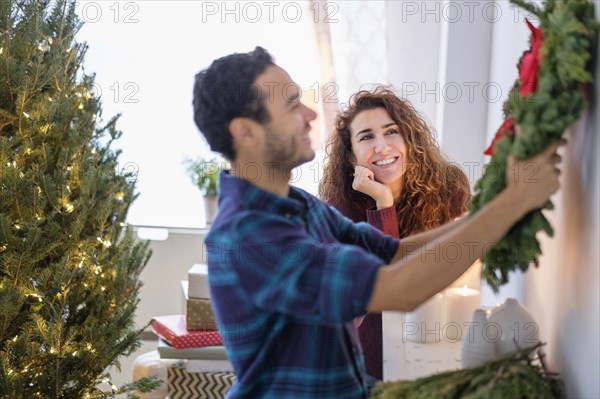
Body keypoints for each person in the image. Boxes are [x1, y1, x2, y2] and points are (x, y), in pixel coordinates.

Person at [192, 47, 563, 399]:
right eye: (292, 105)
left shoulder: (296, 205)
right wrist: (513, 203)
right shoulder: (250, 235)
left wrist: (494, 205)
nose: (310, 114)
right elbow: (397, 289)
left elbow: (394, 253)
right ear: (246, 132)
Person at [318, 87, 472, 381]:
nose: (382, 146)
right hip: (368, 369)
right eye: (366, 137)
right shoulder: (339, 210)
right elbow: (383, 288)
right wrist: (383, 203)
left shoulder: (450, 189)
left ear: (409, 139)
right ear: (351, 158)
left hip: (438, 353)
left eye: (391, 132)